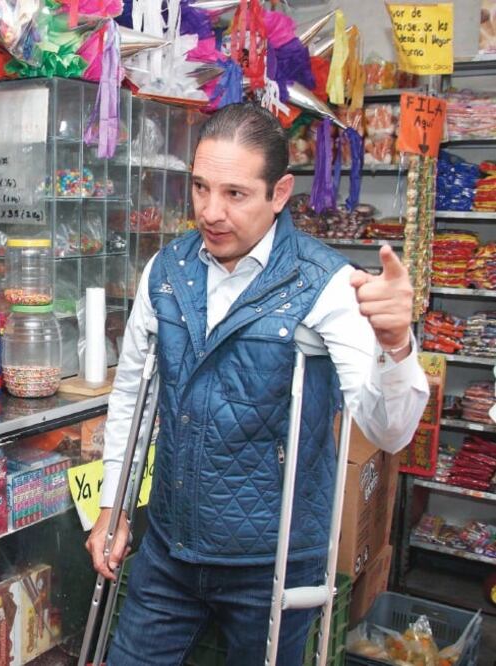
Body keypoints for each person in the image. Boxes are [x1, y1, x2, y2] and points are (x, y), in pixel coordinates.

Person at [86, 104, 429, 665]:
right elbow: (132, 393)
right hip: (170, 548)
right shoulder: (166, 272)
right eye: (200, 188)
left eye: (235, 194)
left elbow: (388, 432)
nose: (210, 212)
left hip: (272, 563)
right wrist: (113, 506)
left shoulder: (326, 284)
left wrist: (396, 345)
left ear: (280, 192)